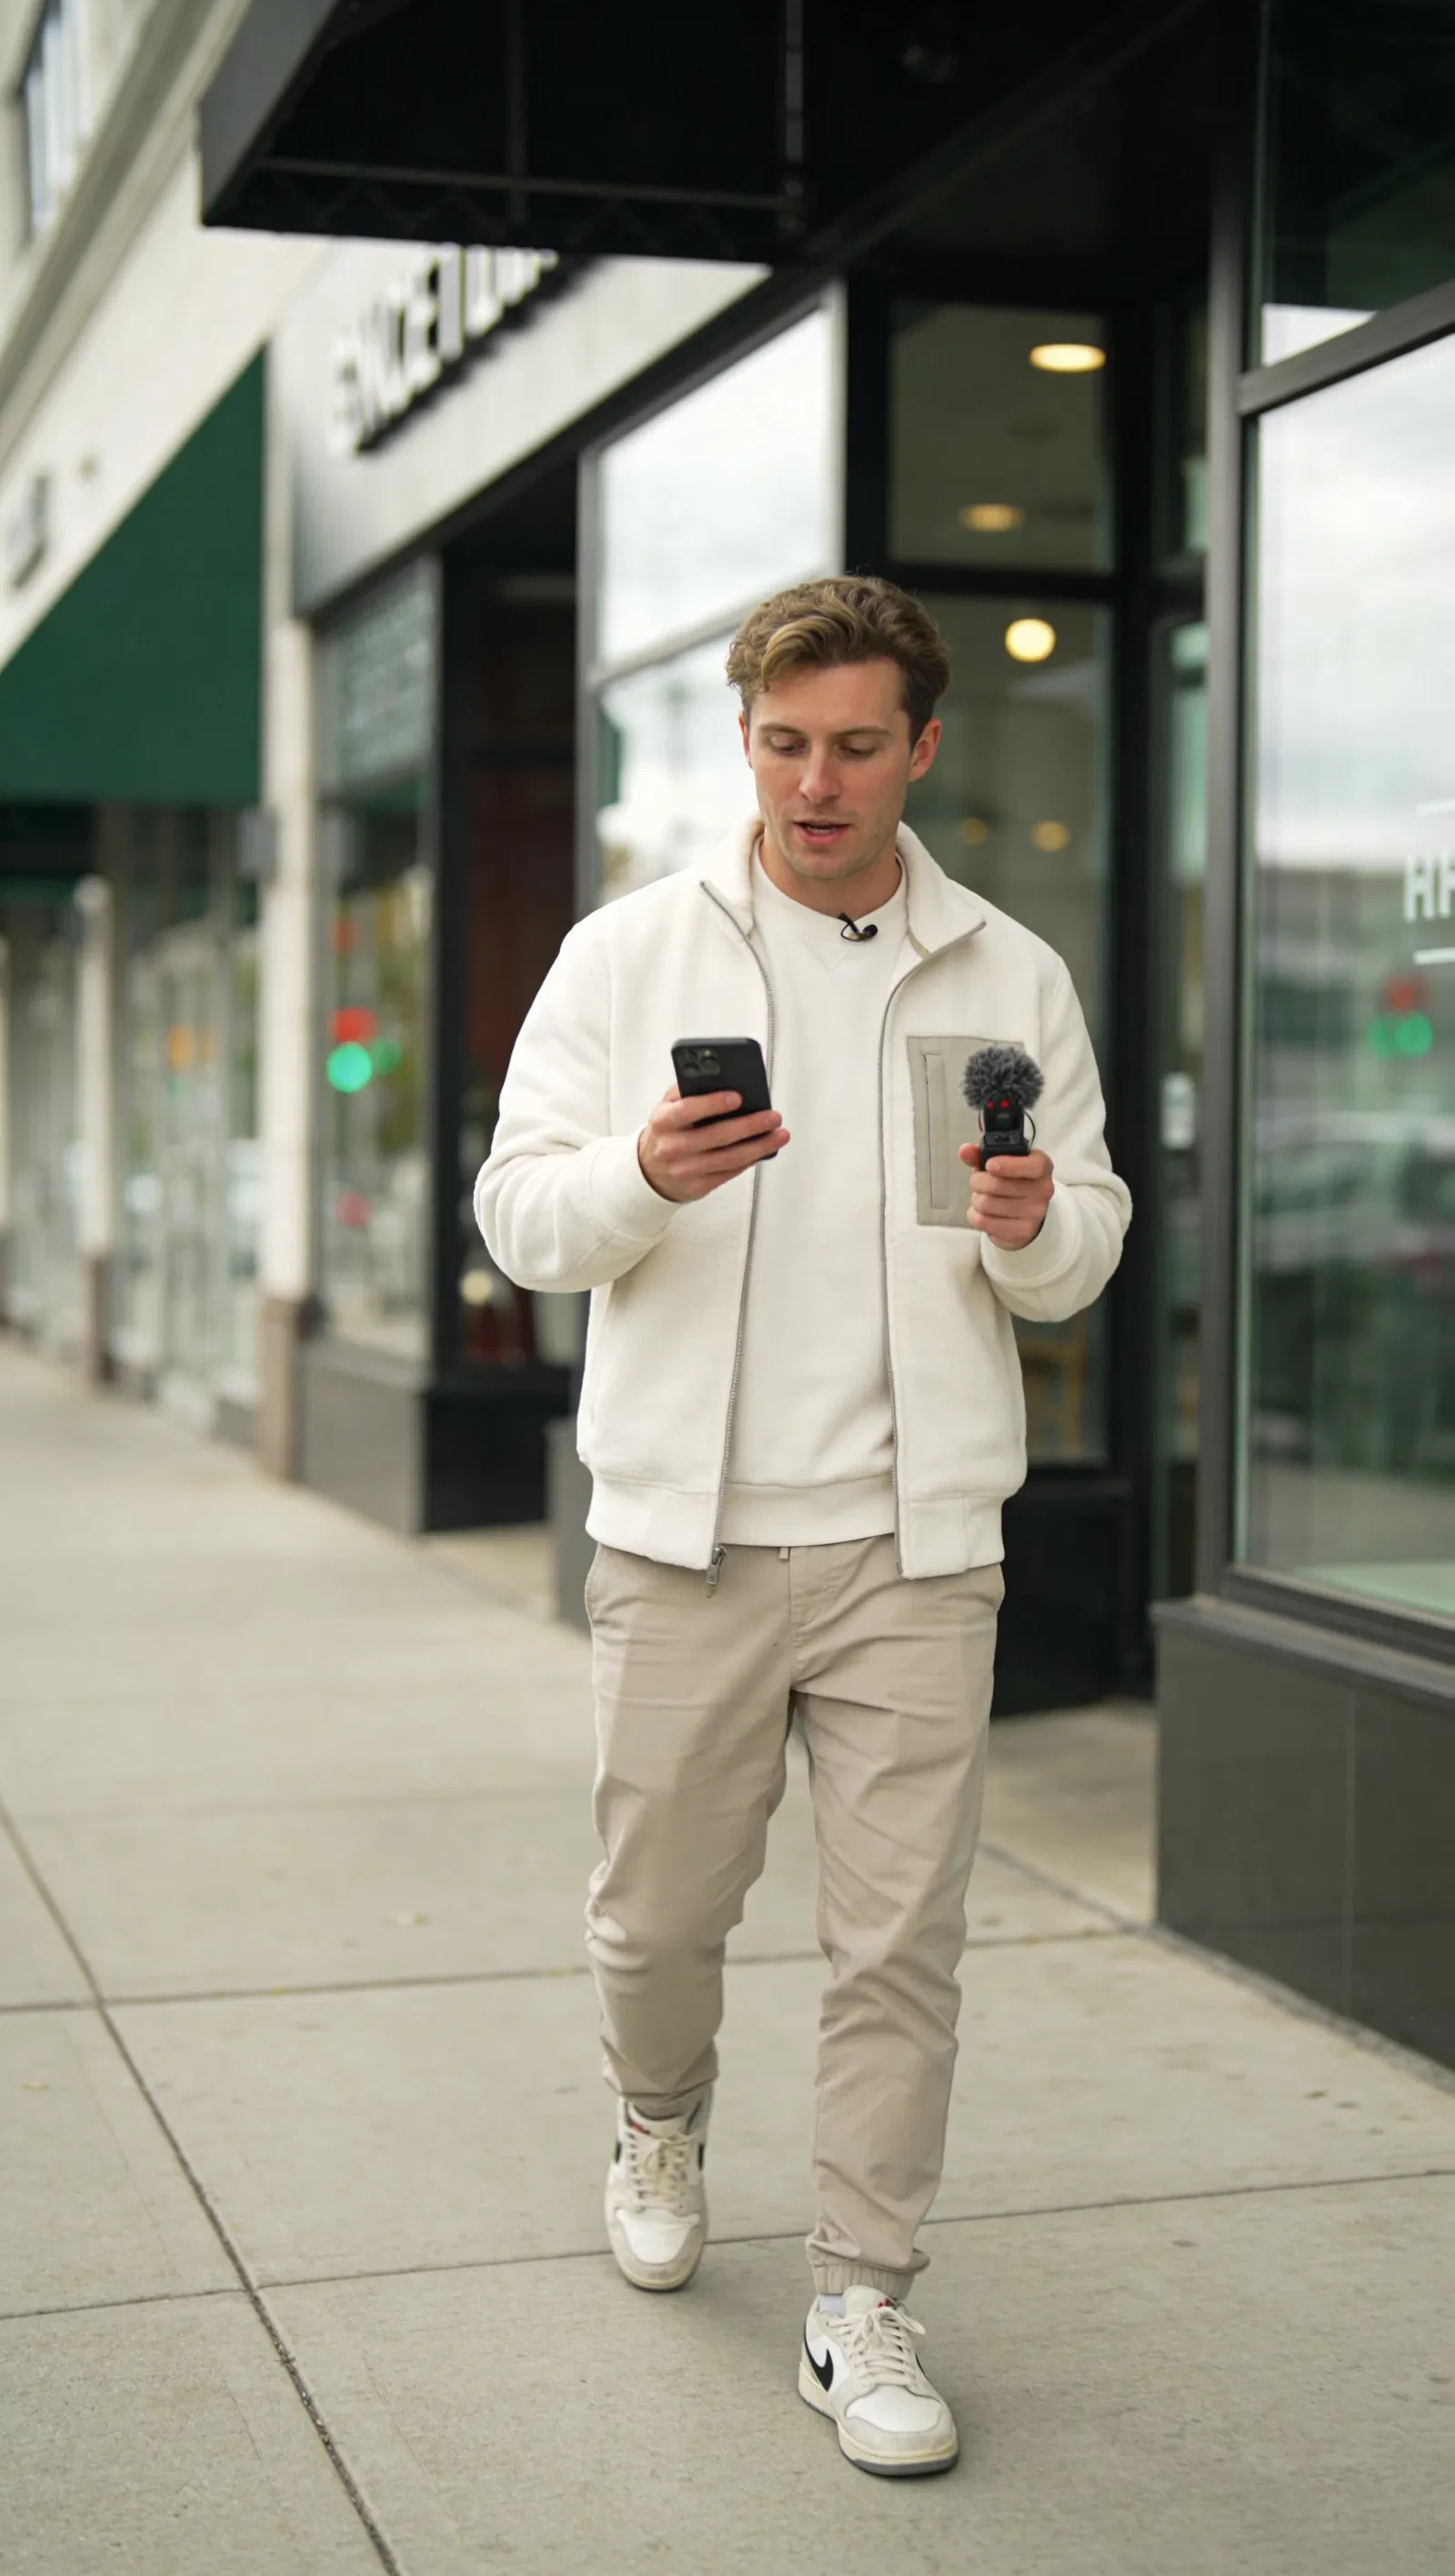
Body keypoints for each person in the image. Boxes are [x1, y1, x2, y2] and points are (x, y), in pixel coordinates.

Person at [477, 576, 1130, 2478]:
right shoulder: (627, 956)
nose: (814, 782)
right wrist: (637, 1178)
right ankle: (655, 2115)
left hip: (916, 1549)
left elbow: (1085, 1241)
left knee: (898, 1946)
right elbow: (518, 1216)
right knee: (657, 1920)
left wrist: (1033, 1229)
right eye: (782, 744)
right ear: (743, 743)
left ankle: (860, 2298)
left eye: (854, 746)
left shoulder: (1007, 971)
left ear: (921, 747)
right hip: (681, 1540)